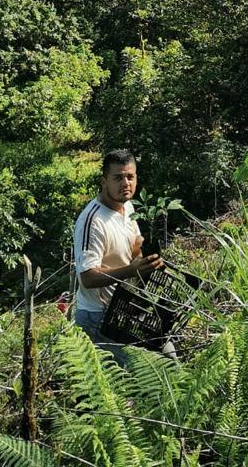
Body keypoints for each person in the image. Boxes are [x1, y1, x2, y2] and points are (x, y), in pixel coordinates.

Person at [73, 149, 164, 350]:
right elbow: (87, 278)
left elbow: (133, 247)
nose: (126, 183)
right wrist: (132, 271)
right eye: (118, 178)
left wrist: (146, 258)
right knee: (126, 376)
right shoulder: (93, 221)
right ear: (104, 182)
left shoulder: (127, 205)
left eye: (130, 177)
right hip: (97, 315)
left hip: (123, 306)